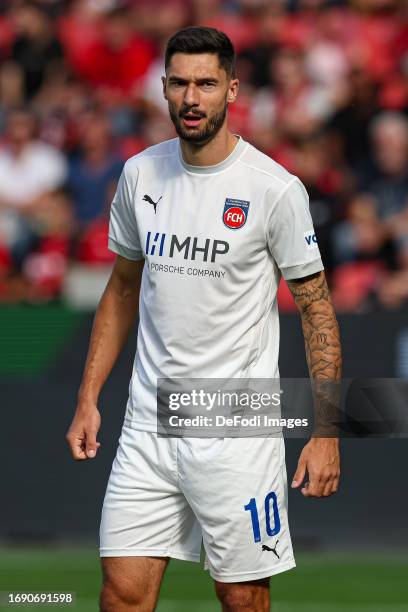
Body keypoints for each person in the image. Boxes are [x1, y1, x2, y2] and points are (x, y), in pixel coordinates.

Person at [66, 26, 341, 612]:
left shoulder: (274, 190)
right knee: (121, 595)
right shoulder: (140, 175)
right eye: (180, 83)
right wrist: (89, 396)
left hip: (236, 430)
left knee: (242, 598)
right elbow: (120, 291)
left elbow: (317, 308)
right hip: (147, 425)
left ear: (232, 90)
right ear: (164, 88)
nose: (192, 98)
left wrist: (326, 430)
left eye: (207, 84)